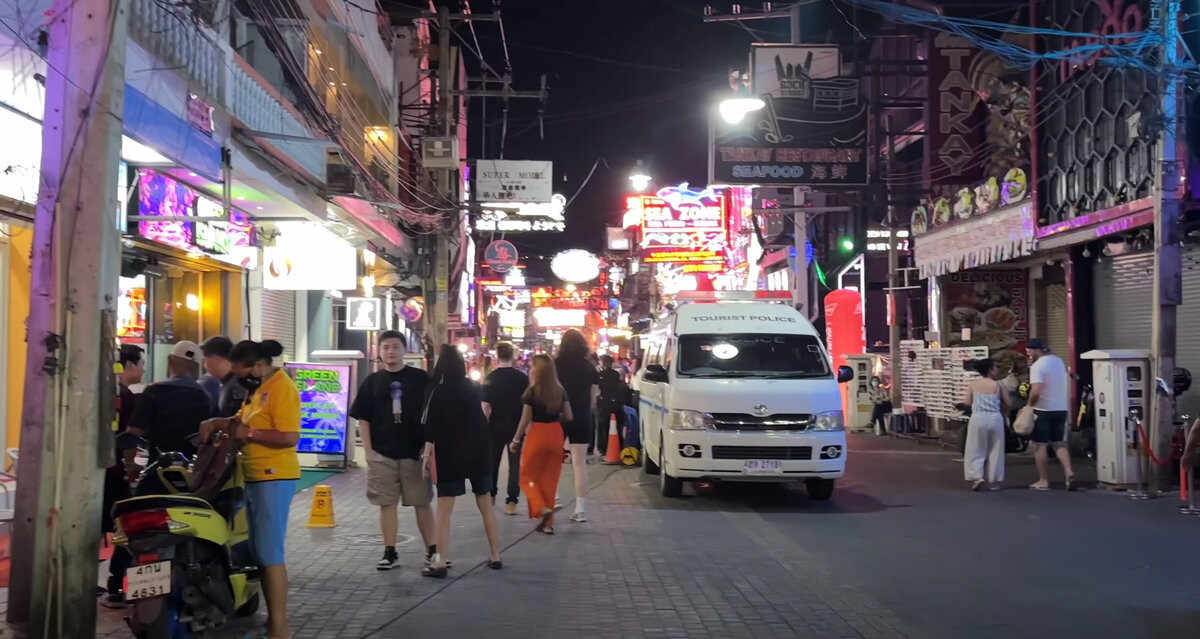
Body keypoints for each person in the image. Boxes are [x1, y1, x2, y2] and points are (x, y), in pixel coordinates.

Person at [203, 339, 300, 639]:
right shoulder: (256, 389)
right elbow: (242, 420)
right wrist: (222, 422)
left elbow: (289, 436)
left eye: (241, 371)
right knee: (261, 552)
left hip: (275, 476)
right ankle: (273, 624)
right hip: (255, 476)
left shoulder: (283, 388)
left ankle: (279, 627)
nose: (238, 378)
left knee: (270, 555)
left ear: (258, 366)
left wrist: (250, 433)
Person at [348, 331, 437, 571]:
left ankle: (433, 550)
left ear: (404, 349)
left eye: (395, 347)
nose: (390, 351)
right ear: (379, 351)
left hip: (414, 453)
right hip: (382, 454)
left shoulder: (419, 379)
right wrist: (369, 452)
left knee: (421, 502)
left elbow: (432, 415)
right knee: (386, 504)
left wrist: (427, 448)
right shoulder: (372, 382)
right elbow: (363, 419)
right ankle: (390, 551)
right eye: (385, 347)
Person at [421, 345, 503, 577]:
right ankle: (495, 555)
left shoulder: (439, 392)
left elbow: (432, 428)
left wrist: (426, 455)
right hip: (477, 452)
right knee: (486, 505)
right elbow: (481, 417)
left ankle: (439, 561)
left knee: (445, 510)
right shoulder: (474, 387)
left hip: (450, 454)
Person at [100, 344, 145, 608]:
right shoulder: (124, 396)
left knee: (98, 525)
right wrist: (130, 466)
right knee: (123, 526)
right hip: (115, 472)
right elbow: (130, 437)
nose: (143, 369)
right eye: (141, 363)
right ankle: (116, 583)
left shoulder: (107, 391)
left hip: (98, 470)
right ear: (128, 365)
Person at [510, 354, 574, 535]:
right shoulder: (560, 391)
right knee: (549, 481)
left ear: (537, 371)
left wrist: (516, 440)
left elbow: (525, 420)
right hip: (555, 434)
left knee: (526, 477)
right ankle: (548, 524)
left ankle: (541, 508)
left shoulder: (532, 392)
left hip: (537, 434)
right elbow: (569, 416)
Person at [555, 329, 599, 523]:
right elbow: (592, 400)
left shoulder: (555, 365)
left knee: (554, 460)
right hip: (582, 417)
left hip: (558, 417)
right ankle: (580, 509)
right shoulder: (590, 368)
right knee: (579, 464)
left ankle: (554, 498)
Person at [482, 342, 529, 516]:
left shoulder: (491, 378)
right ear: (513, 356)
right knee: (514, 464)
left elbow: (485, 406)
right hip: (517, 426)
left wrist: (483, 426)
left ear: (497, 356)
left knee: (492, 462)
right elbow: (527, 405)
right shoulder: (522, 378)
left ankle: (491, 496)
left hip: (495, 426)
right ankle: (512, 502)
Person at [1026, 338, 1076, 491]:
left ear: (1037, 351)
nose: (1028, 355)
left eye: (1029, 352)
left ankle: (1043, 481)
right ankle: (1069, 472)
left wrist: (1029, 406)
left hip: (1044, 410)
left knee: (1040, 446)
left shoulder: (1037, 366)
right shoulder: (1058, 361)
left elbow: (1036, 391)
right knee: (1059, 444)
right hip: (1061, 408)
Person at [963, 359, 1010, 491]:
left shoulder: (973, 385)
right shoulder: (998, 385)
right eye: (995, 367)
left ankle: (977, 477)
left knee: (975, 448)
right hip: (995, 419)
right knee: (996, 450)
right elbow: (1008, 402)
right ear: (990, 370)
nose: (996, 369)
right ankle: (994, 481)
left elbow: (967, 402)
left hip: (978, 418)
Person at [199, 336, 247, 417]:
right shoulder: (230, 382)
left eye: (205, 360)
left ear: (215, 358)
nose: (204, 366)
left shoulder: (239, 385)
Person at [596, 355, 628, 458]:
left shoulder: (601, 374)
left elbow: (599, 388)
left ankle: (603, 448)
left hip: (604, 403)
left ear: (603, 363)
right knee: (617, 425)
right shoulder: (616, 374)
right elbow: (620, 386)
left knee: (603, 426)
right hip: (616, 403)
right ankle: (620, 444)